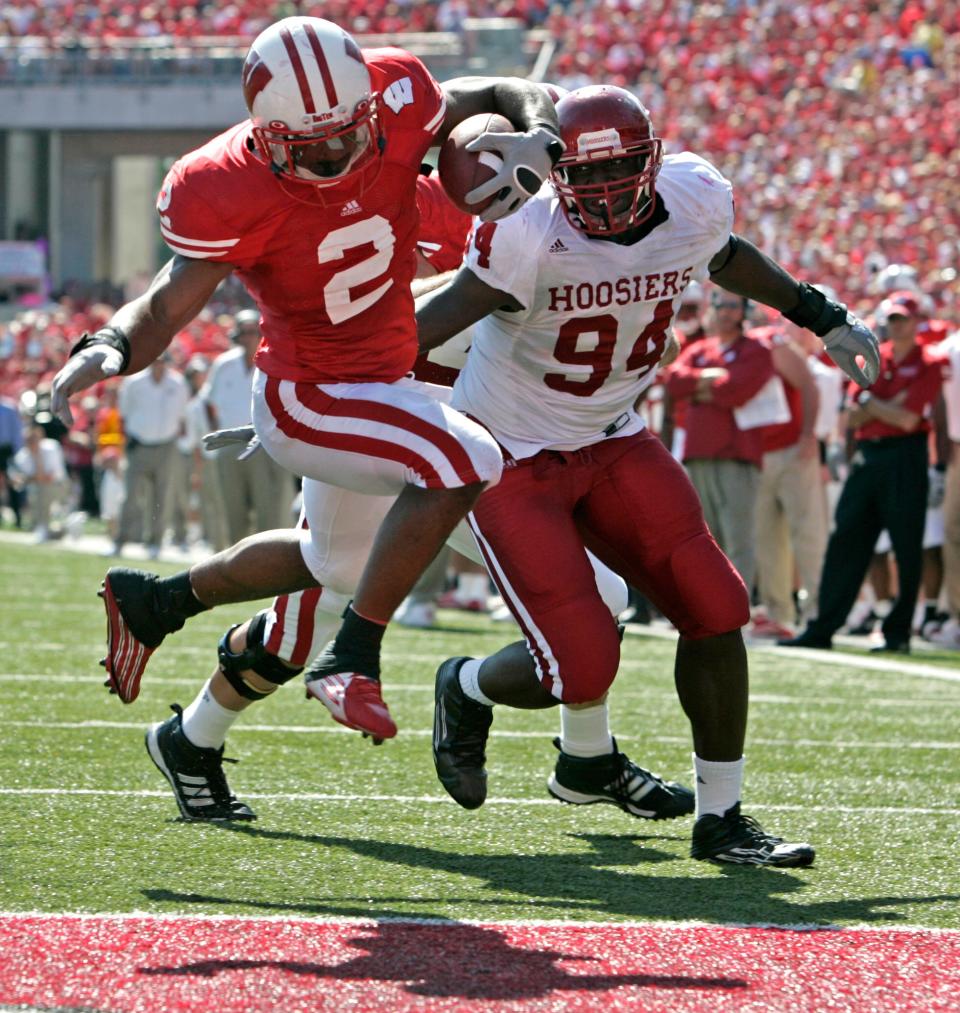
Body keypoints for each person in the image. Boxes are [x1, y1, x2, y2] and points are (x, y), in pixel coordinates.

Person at [50, 17, 564, 814]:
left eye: (348, 136)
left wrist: (542, 132)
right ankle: (354, 656)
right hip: (312, 397)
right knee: (467, 457)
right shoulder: (220, 185)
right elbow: (166, 304)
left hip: (385, 386)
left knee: (333, 569)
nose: (336, 157)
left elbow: (500, 93)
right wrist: (109, 346)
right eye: (311, 146)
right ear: (266, 135)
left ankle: (167, 622)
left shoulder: (399, 103)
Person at [415, 85, 880, 866]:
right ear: (555, 169)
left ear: (652, 161)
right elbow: (439, 318)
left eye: (617, 172)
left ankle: (723, 818)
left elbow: (726, 258)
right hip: (511, 454)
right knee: (583, 663)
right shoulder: (526, 227)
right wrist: (326, 392)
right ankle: (465, 685)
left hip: (614, 435)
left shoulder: (694, 196)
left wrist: (820, 313)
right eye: (583, 178)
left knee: (717, 604)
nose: (599, 194)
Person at [780, 290, 945, 654]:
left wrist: (874, 405)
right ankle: (823, 627)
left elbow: (908, 418)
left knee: (906, 545)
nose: (895, 326)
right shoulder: (877, 355)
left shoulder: (929, 361)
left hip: (907, 455)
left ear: (917, 322)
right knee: (846, 541)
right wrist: (885, 407)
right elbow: (854, 415)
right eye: (891, 320)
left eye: (902, 318)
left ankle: (898, 632)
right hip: (870, 455)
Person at [665, 293, 776, 597]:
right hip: (699, 452)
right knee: (704, 538)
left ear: (744, 312)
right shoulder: (700, 348)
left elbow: (735, 392)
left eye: (732, 306)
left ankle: (736, 606)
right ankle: (709, 603)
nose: (725, 312)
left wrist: (698, 388)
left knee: (737, 539)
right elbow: (674, 381)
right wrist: (710, 379)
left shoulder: (755, 349)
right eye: (720, 306)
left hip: (737, 455)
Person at [201, 309, 294, 544]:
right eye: (243, 332)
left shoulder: (276, 361)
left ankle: (268, 567)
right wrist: (217, 435)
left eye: (253, 332)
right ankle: (235, 568)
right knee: (233, 512)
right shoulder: (223, 364)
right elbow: (208, 401)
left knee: (269, 513)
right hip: (231, 444)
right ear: (236, 336)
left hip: (266, 446)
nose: (248, 337)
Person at [113, 355, 190, 557]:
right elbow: (124, 414)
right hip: (138, 444)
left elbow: (182, 417)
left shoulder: (178, 383)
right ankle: (121, 539)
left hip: (166, 444)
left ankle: (155, 541)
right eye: (156, 360)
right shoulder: (134, 383)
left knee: (161, 497)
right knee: (130, 495)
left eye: (163, 361)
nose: (159, 365)